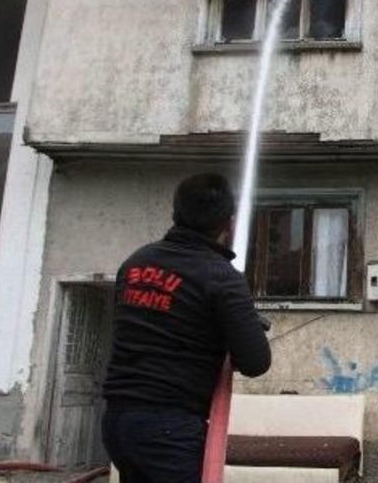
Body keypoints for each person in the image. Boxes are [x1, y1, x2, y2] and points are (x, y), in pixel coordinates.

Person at [103, 173, 271, 483]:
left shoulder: (135, 263)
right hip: (169, 429)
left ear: (175, 214)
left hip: (117, 422)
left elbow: (159, 321)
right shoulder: (222, 277)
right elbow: (255, 363)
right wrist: (238, 324)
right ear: (229, 223)